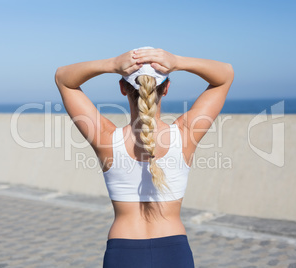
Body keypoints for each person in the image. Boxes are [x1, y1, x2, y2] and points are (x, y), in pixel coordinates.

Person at [55, 47, 234, 268]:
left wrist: (111, 64)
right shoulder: (185, 134)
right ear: (166, 88)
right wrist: (176, 61)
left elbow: (63, 78)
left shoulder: (107, 139)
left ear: (122, 88)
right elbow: (225, 75)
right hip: (174, 251)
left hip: (122, 251)